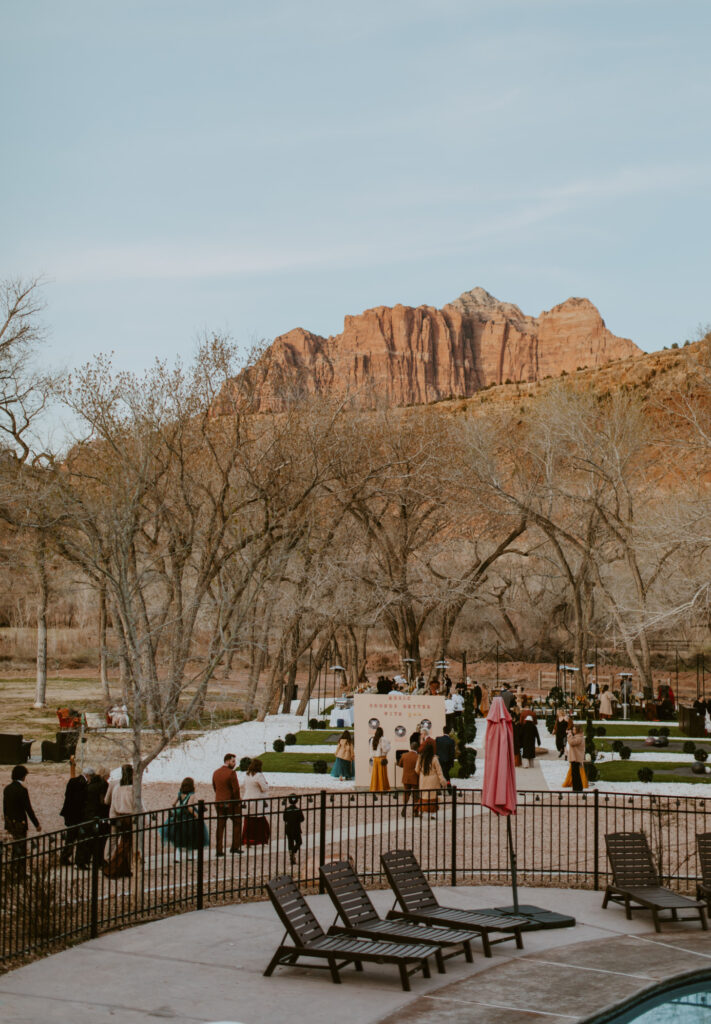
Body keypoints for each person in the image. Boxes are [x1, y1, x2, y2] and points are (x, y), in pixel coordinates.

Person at [3, 765, 41, 880]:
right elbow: (28, 808)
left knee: (14, 846)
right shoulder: (22, 790)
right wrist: (36, 824)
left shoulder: (7, 789)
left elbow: (5, 808)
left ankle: (13, 870)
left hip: (11, 822)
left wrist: (7, 821)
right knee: (21, 848)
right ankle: (20, 872)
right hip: (20, 822)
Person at [160, 777, 208, 860]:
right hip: (188, 817)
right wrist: (196, 815)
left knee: (179, 836)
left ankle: (177, 857)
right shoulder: (192, 795)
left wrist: (177, 810)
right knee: (190, 836)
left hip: (179, 816)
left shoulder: (180, 793)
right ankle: (189, 855)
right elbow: (189, 807)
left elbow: (173, 803)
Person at [103, 764, 134, 878]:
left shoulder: (116, 786)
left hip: (116, 815)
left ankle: (110, 858)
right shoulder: (131, 788)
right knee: (126, 843)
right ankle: (118, 862)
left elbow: (110, 802)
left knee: (115, 839)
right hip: (127, 817)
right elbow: (138, 804)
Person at [59, 760, 91, 865]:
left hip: (68, 813)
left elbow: (67, 794)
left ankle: (66, 856)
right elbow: (82, 800)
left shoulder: (72, 781)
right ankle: (69, 857)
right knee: (75, 837)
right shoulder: (84, 784)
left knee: (70, 837)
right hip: (77, 815)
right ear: (89, 776)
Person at [78, 766, 110, 867]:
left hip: (88, 814)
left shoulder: (90, 784)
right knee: (100, 840)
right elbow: (103, 801)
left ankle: (84, 860)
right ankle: (98, 860)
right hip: (99, 814)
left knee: (88, 839)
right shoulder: (103, 785)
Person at [212, 752, 242, 856]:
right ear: (227, 761)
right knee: (237, 823)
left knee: (220, 826)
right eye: (233, 761)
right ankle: (235, 847)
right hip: (230, 803)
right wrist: (237, 801)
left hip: (219, 802)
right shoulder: (231, 773)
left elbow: (215, 787)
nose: (234, 764)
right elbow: (236, 790)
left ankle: (219, 849)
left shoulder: (216, 772)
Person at [241, 758, 271, 845]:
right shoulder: (259, 775)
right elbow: (264, 788)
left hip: (248, 798)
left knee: (249, 820)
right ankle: (259, 839)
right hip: (257, 799)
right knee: (259, 821)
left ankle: (247, 839)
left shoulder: (247, 775)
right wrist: (266, 784)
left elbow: (244, 785)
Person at [414, 744, 446, 816]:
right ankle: (432, 814)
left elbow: (416, 770)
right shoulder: (434, 759)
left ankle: (421, 811)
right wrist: (443, 781)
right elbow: (439, 771)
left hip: (423, 780)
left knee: (423, 796)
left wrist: (421, 774)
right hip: (433, 781)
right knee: (432, 797)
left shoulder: (421, 758)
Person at [563, 724, 587, 792]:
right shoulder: (578, 736)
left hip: (576, 758)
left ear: (577, 730)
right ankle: (577, 788)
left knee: (575, 774)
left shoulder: (579, 737)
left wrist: (569, 734)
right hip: (575, 757)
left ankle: (577, 788)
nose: (573, 730)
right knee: (575, 774)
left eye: (574, 729)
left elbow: (572, 742)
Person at [397, 742, 419, 816]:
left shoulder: (404, 755)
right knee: (416, 795)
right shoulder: (418, 757)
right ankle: (415, 811)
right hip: (415, 778)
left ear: (410, 747)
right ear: (417, 748)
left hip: (406, 778)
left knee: (406, 794)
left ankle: (404, 807)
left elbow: (400, 764)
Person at [282, 794, 304, 865]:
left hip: (288, 828)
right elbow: (302, 819)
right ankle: (294, 851)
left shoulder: (286, 809)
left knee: (290, 842)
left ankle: (291, 853)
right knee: (299, 842)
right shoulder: (298, 809)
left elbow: (284, 819)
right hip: (296, 828)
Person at [368, 726, 391, 792]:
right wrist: (389, 744)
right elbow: (385, 750)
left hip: (375, 759)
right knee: (382, 775)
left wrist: (373, 757)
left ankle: (374, 788)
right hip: (382, 758)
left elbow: (371, 750)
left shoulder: (372, 739)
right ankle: (382, 789)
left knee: (375, 775)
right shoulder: (383, 739)